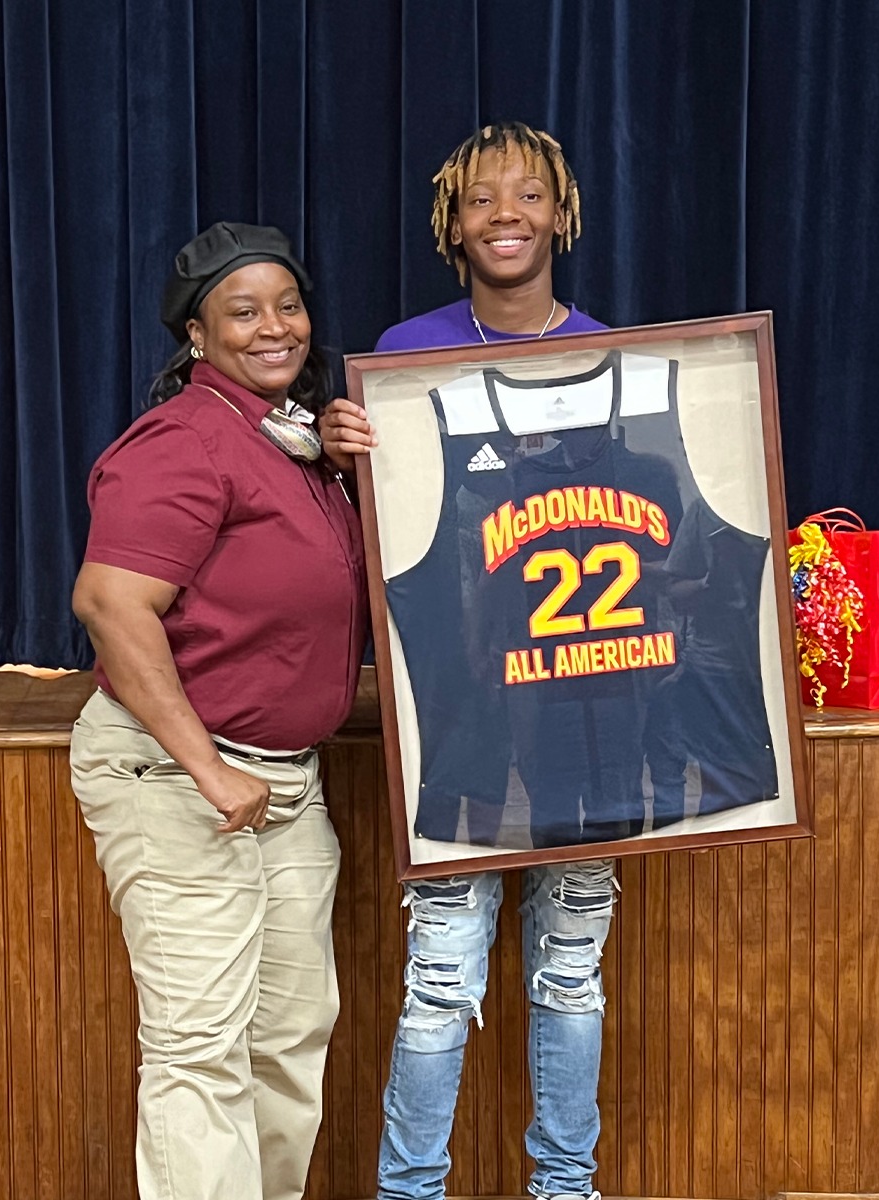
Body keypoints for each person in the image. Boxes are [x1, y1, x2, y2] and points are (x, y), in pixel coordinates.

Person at [320, 122, 614, 1200]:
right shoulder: (403, 356)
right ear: (452, 224)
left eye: (528, 193)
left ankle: (565, 1188)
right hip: (458, 718)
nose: (505, 214)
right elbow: (390, 535)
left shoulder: (618, 358)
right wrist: (342, 458)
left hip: (588, 720)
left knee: (571, 979)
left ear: (561, 214)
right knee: (441, 977)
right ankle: (410, 1193)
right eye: (481, 198)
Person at [70, 221, 368, 1200]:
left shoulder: (289, 437)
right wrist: (208, 770)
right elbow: (110, 605)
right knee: (200, 1048)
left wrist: (343, 464)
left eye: (288, 305)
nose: (274, 326)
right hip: (182, 780)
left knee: (289, 1036)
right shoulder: (185, 440)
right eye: (243, 311)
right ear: (197, 335)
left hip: (284, 785)